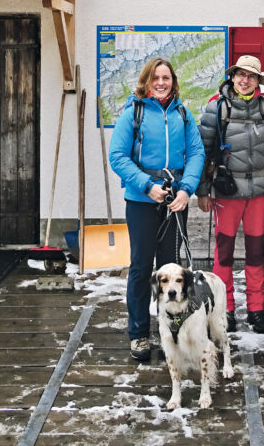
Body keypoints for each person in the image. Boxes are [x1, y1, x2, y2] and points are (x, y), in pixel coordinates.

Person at [108, 57, 205, 361]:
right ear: (147, 81)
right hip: (141, 201)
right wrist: (145, 185)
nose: (161, 83)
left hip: (174, 201)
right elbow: (118, 156)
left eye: (166, 78)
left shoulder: (183, 114)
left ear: (173, 81)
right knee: (140, 268)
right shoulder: (133, 113)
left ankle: (169, 331)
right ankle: (138, 334)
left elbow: (196, 153)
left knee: (171, 269)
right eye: (155, 78)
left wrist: (186, 189)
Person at [196, 54, 264, 333]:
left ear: (258, 81)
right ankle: (227, 310)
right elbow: (201, 151)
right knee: (223, 254)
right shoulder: (216, 108)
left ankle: (257, 309)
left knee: (256, 253)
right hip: (227, 192)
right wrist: (203, 190)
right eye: (240, 75)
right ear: (232, 77)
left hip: (260, 192)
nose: (245, 80)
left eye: (251, 76)